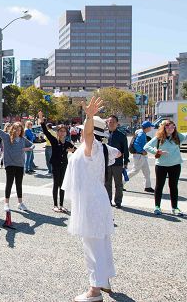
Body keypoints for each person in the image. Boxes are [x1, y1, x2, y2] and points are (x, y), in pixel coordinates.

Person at [61, 97, 121, 302]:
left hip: (91, 202)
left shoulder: (92, 146)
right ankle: (103, 281)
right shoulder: (103, 149)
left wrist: (89, 117)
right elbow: (118, 152)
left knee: (92, 246)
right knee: (101, 242)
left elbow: (88, 136)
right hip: (98, 198)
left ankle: (94, 290)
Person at [144, 119, 187, 216]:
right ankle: (157, 207)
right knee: (159, 186)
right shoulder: (158, 137)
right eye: (168, 126)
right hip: (161, 165)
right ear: (163, 127)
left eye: (173, 126)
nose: (171, 128)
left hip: (175, 165)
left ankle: (175, 208)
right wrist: (157, 152)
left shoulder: (178, 136)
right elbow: (146, 146)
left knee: (173, 186)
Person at [0, 114, 34, 211]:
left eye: (19, 129)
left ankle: (20, 203)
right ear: (12, 129)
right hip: (10, 164)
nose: (18, 131)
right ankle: (6, 203)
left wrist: (28, 148)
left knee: (19, 184)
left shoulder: (22, 139)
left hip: (20, 165)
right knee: (9, 184)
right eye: (16, 129)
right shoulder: (7, 137)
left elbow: (32, 145)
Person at [38, 111, 75, 213]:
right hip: (55, 165)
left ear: (66, 133)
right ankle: (55, 205)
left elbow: (77, 151)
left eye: (64, 131)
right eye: (60, 131)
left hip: (64, 165)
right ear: (57, 132)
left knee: (63, 185)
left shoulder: (68, 143)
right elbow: (45, 131)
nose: (62, 133)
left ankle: (62, 205)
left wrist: (72, 150)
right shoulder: (54, 141)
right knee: (56, 184)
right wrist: (41, 119)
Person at [105, 115, 130, 208]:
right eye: (109, 122)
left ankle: (118, 201)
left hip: (118, 164)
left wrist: (126, 162)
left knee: (118, 184)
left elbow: (125, 150)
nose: (111, 124)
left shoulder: (121, 135)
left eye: (113, 122)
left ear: (117, 123)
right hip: (106, 163)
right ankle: (107, 201)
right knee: (107, 183)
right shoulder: (104, 134)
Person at [126, 121, 154, 193]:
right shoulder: (141, 134)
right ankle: (121, 182)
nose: (151, 128)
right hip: (139, 156)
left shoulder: (141, 132)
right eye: (150, 127)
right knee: (135, 171)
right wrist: (142, 151)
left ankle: (147, 187)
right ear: (147, 128)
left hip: (141, 156)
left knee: (147, 171)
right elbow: (136, 145)